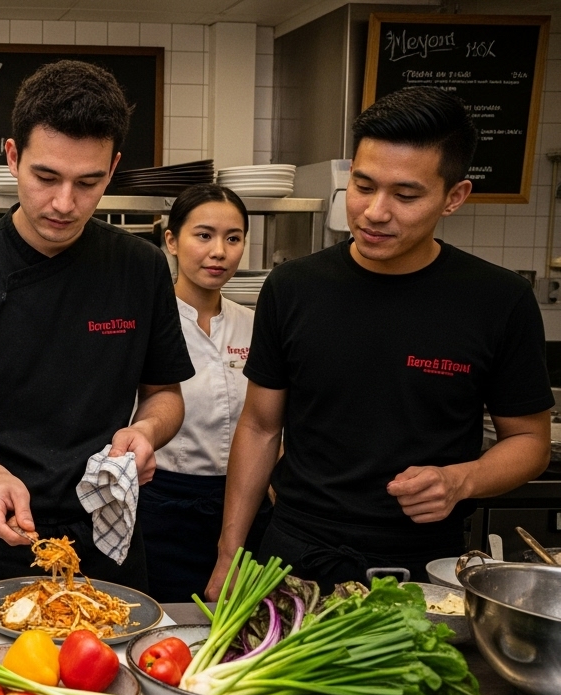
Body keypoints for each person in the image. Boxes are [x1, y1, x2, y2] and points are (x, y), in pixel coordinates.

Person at [207, 87, 553, 596]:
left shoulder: (498, 299)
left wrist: (463, 480)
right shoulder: (295, 287)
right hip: (297, 553)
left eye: (405, 196)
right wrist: (229, 554)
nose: (374, 212)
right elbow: (260, 427)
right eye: (362, 186)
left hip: (423, 565)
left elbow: (530, 442)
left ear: (454, 196)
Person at [0, 60, 195, 600]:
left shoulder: (142, 267)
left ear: (113, 170)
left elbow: (164, 395)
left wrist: (148, 432)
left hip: (110, 540)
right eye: (46, 177)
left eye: (88, 182)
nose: (64, 203)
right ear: (12, 157)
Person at [139, 184, 270, 603]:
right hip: (162, 508)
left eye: (233, 239)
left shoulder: (256, 325)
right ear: (172, 241)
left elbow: (274, 420)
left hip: (244, 507)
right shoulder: (145, 324)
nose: (219, 251)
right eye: (204, 235)